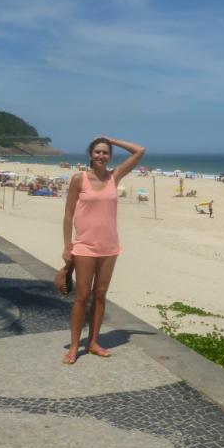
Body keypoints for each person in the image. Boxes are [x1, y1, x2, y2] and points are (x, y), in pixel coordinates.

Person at [62, 136, 145, 365]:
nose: (101, 156)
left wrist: (110, 140)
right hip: (84, 246)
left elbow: (139, 150)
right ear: (90, 154)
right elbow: (68, 214)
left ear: (110, 156)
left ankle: (94, 342)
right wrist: (67, 246)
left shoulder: (114, 176)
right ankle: (74, 346)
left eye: (105, 152)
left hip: (109, 246)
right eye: (97, 151)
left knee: (100, 295)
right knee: (82, 296)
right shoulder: (79, 179)